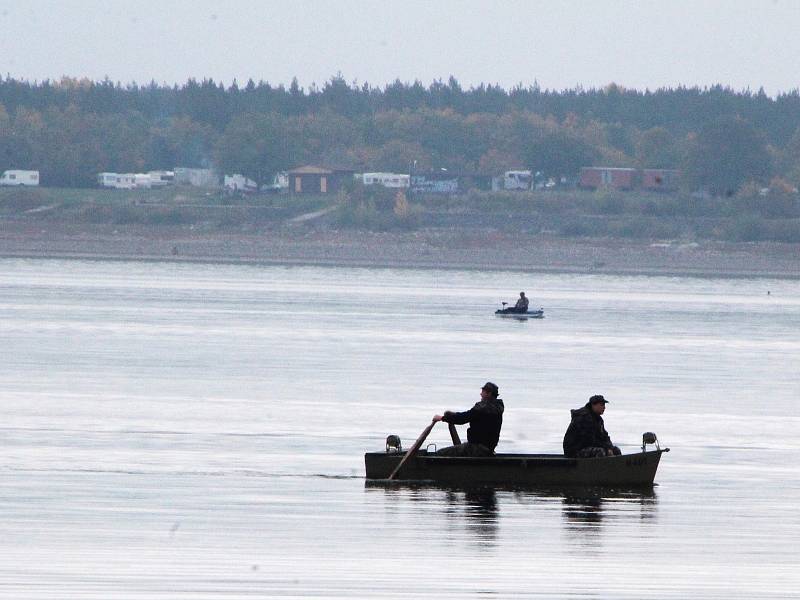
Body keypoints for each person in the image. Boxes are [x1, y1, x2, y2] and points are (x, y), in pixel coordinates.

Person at [433, 382, 504, 456]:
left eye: (483, 392)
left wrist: (442, 418)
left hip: (476, 448)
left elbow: (463, 418)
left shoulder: (482, 408)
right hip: (488, 449)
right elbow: (468, 415)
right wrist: (453, 415)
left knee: (440, 453)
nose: (480, 394)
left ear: (489, 393)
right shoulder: (497, 408)